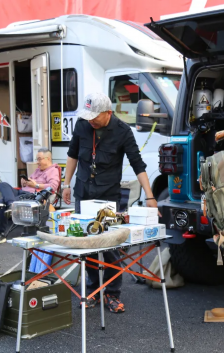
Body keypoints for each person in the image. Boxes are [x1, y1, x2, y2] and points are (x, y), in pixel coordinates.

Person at [62, 92, 158, 313]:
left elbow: (138, 164)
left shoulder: (123, 131)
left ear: (108, 113)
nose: (91, 120)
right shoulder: (82, 125)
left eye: (94, 116)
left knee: (110, 247)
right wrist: (66, 184)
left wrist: (150, 196)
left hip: (107, 197)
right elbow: (72, 154)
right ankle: (93, 290)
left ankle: (113, 294)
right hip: (83, 192)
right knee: (88, 246)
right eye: (88, 116)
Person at [0, 148, 60, 244]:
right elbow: (30, 180)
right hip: (22, 192)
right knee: (3, 184)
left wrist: (36, 185)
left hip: (34, 196)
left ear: (47, 159)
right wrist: (25, 182)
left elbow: (53, 187)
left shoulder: (53, 170)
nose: (37, 162)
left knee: (1, 203)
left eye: (39, 159)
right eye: (37, 159)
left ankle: (0, 234)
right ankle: (11, 205)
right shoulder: (38, 170)